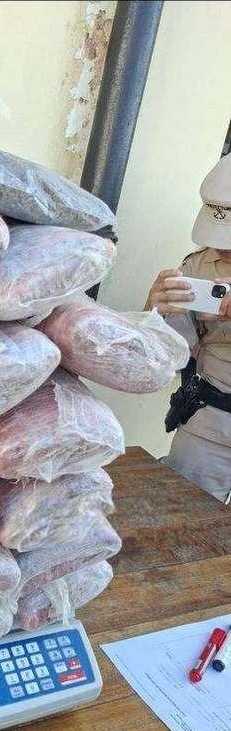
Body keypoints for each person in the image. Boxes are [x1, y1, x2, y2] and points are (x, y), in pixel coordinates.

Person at [145, 152, 231, 501]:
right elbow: (167, 357)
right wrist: (155, 314)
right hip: (209, 427)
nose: (220, 246)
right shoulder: (196, 266)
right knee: (185, 517)